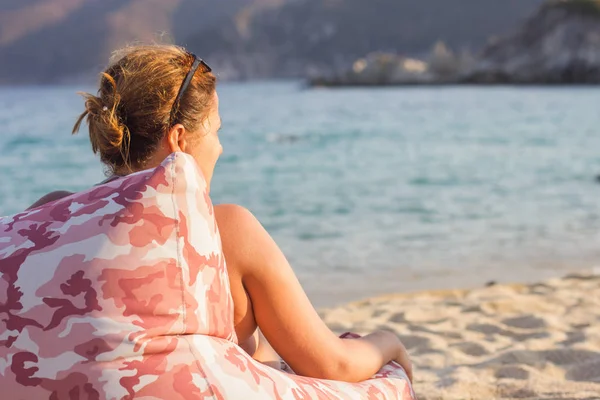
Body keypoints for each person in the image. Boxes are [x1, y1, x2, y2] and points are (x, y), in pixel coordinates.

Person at [29, 44, 412, 383]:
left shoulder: (48, 214)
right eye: (215, 131)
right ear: (179, 140)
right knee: (381, 375)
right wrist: (387, 343)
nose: (221, 149)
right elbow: (334, 366)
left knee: (258, 352)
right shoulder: (225, 230)